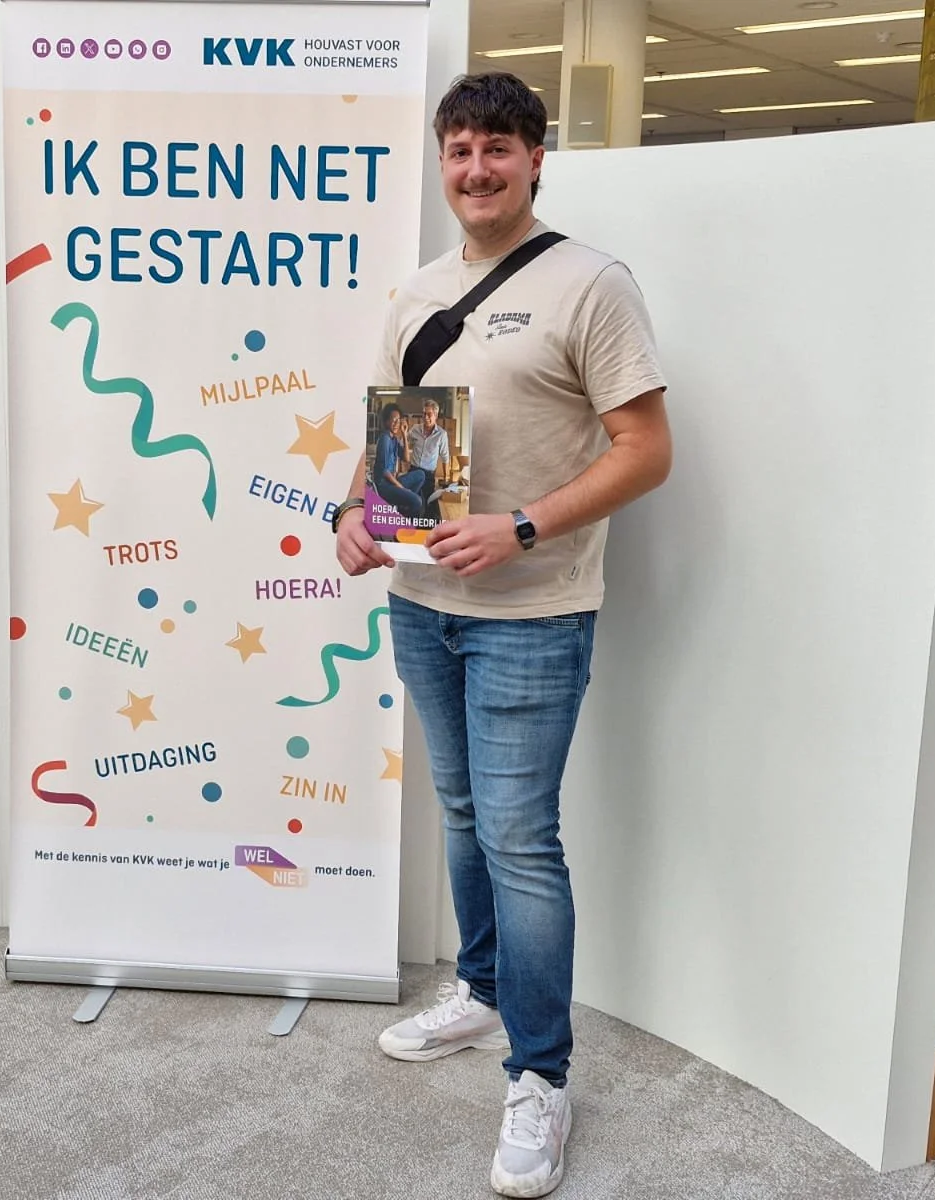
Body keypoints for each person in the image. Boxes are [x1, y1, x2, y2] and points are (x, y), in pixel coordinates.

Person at [331, 72, 671, 1199]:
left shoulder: (592, 285)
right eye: (459, 149)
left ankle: (540, 1074)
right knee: (464, 813)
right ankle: (480, 994)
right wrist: (351, 513)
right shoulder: (420, 290)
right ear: (443, 162)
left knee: (521, 839)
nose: (476, 169)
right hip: (423, 604)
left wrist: (520, 526)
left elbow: (646, 451)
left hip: (532, 611)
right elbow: (387, 439)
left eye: (497, 149)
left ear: (535, 160)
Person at [372, 402, 428, 518]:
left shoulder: (394, 439)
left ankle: (404, 505)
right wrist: (401, 488)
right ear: (386, 421)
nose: (397, 423)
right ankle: (404, 518)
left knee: (421, 474)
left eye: (398, 420)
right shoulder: (385, 439)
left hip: (392, 481)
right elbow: (385, 472)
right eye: (393, 420)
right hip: (384, 486)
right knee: (417, 501)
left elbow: (406, 459)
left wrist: (404, 435)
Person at [406, 397, 452, 518]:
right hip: (413, 471)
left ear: (436, 415)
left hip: (428, 476)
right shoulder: (415, 429)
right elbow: (404, 444)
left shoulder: (441, 435)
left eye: (429, 414)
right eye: (424, 414)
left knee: (428, 506)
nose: (426, 417)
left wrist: (446, 479)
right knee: (411, 504)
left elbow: (445, 457)